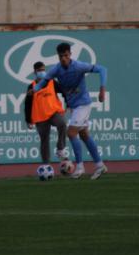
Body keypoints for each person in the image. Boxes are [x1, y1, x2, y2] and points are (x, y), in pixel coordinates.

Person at [34, 42, 108, 180]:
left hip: (83, 104)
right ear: (58, 56)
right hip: (74, 107)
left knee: (71, 132)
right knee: (84, 135)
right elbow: (44, 81)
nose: (63, 59)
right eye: (61, 56)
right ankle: (99, 165)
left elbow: (102, 69)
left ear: (70, 55)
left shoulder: (79, 66)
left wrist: (102, 89)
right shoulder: (56, 70)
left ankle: (79, 167)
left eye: (66, 56)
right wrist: (35, 89)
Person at [24, 61, 68, 165]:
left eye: (43, 70)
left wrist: (68, 103)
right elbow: (27, 104)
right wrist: (28, 120)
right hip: (40, 117)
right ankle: (46, 165)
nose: (42, 72)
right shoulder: (32, 86)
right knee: (44, 140)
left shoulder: (52, 82)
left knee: (62, 123)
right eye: (39, 70)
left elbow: (64, 91)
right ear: (35, 72)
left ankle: (60, 148)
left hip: (53, 113)